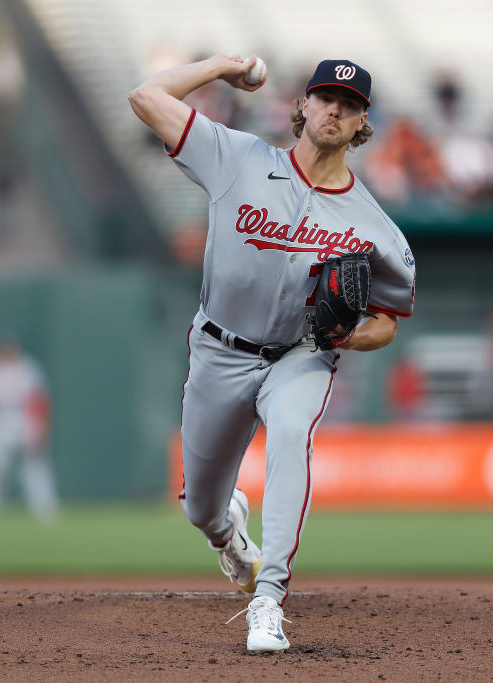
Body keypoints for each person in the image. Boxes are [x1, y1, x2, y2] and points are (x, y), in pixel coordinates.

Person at [128, 55, 415, 652]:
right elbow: (145, 97)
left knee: (291, 433)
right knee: (200, 508)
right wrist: (221, 67)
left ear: (363, 122)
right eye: (325, 98)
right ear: (303, 106)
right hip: (218, 351)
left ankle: (269, 600)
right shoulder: (238, 158)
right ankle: (226, 534)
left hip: (301, 355)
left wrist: (347, 336)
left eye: (351, 104)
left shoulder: (376, 225)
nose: (335, 109)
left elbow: (387, 322)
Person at [0, 333, 58, 523]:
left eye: (11, 349)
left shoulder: (29, 368)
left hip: (23, 419)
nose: (7, 353)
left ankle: (46, 512)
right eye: (4, 349)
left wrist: (41, 427)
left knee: (35, 467)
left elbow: (40, 400)